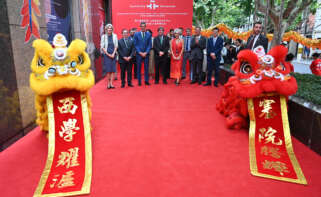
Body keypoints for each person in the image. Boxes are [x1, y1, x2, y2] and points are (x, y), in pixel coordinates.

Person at [133, 22, 152, 86]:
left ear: (145, 27)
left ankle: (146, 80)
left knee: (146, 68)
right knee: (139, 68)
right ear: (140, 27)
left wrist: (146, 52)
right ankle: (139, 81)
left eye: (144, 26)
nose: (143, 27)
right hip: (139, 54)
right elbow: (135, 44)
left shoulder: (148, 34)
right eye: (142, 26)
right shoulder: (136, 34)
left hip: (146, 54)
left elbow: (149, 45)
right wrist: (140, 52)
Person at [100, 24, 118, 89]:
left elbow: (116, 45)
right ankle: (108, 83)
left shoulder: (115, 36)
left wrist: (113, 54)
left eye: (110, 28)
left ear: (112, 29)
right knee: (108, 70)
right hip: (107, 55)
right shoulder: (103, 36)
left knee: (113, 70)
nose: (109, 29)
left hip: (113, 55)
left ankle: (111, 84)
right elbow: (102, 47)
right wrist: (108, 54)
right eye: (108, 28)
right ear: (106, 29)